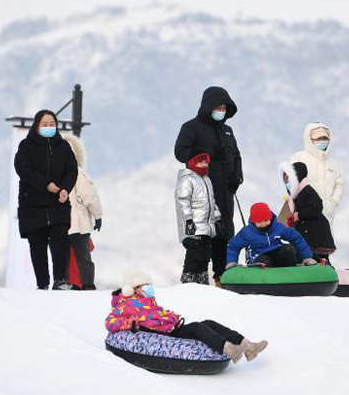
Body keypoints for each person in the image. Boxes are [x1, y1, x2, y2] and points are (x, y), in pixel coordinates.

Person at [105, 269, 268, 363]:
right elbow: (110, 321)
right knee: (198, 327)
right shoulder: (126, 304)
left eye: (150, 285)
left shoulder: (148, 301)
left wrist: (170, 316)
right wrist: (127, 324)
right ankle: (230, 350)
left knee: (208, 323)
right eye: (145, 286)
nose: (149, 288)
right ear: (134, 288)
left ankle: (247, 346)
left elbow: (159, 315)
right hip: (164, 334)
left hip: (172, 328)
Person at [174, 87, 243, 286]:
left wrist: (237, 177)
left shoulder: (227, 130)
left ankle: (221, 278)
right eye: (218, 107)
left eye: (224, 107)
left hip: (225, 192)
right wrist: (208, 152)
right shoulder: (191, 127)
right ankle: (196, 280)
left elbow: (237, 156)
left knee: (223, 234)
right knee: (202, 236)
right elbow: (180, 152)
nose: (221, 110)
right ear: (208, 107)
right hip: (201, 192)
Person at [15, 110, 78, 290]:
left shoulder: (64, 146)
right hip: (32, 205)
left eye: (52, 124)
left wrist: (65, 188)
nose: (49, 127)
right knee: (37, 245)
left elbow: (71, 170)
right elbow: (23, 169)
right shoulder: (26, 145)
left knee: (60, 241)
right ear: (36, 126)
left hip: (58, 203)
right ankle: (42, 283)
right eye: (45, 124)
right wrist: (45, 184)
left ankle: (60, 280)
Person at [62, 135, 103, 291]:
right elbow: (90, 196)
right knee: (83, 258)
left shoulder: (52, 176)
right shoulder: (78, 173)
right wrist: (98, 216)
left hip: (60, 225)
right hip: (79, 225)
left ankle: (64, 283)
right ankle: (87, 285)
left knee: (63, 258)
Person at [176, 151, 222, 285]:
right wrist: (188, 220)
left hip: (207, 227)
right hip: (193, 227)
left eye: (206, 162)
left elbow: (211, 201)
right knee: (194, 255)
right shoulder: (187, 179)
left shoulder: (207, 180)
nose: (204, 164)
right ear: (192, 162)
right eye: (201, 161)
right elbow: (182, 201)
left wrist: (217, 218)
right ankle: (188, 281)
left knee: (205, 256)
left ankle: (202, 281)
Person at [226, 202, 317, 269]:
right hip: (259, 255)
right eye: (259, 221)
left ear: (270, 218)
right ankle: (266, 280)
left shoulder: (278, 227)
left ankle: (290, 273)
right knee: (265, 261)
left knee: (288, 249)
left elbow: (296, 238)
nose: (263, 224)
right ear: (254, 221)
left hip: (276, 252)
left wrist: (307, 257)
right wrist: (231, 261)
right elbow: (234, 246)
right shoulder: (247, 232)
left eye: (266, 220)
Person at [279, 161, 335, 264]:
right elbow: (283, 218)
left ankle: (327, 271)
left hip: (315, 232)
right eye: (285, 179)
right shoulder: (293, 198)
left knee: (317, 256)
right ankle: (308, 273)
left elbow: (317, 206)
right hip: (305, 233)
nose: (287, 182)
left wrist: (299, 214)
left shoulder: (307, 191)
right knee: (303, 254)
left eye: (289, 178)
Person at [289, 123, 344, 225]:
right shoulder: (300, 157)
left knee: (325, 240)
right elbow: (289, 179)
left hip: (326, 213)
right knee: (303, 240)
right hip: (304, 213)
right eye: (318, 138)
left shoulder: (333, 162)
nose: (322, 141)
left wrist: (333, 202)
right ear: (309, 139)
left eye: (324, 138)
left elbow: (339, 183)